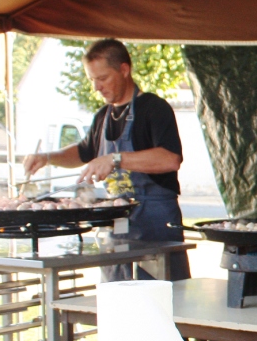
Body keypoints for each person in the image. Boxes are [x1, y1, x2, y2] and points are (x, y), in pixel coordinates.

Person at [22, 38, 190, 282]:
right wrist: (47, 157)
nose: (96, 87)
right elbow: (83, 152)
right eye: (92, 80)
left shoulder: (154, 108)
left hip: (155, 225)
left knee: (160, 296)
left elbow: (170, 159)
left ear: (124, 69)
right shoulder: (103, 116)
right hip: (116, 227)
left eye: (102, 78)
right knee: (117, 295)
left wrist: (116, 159)